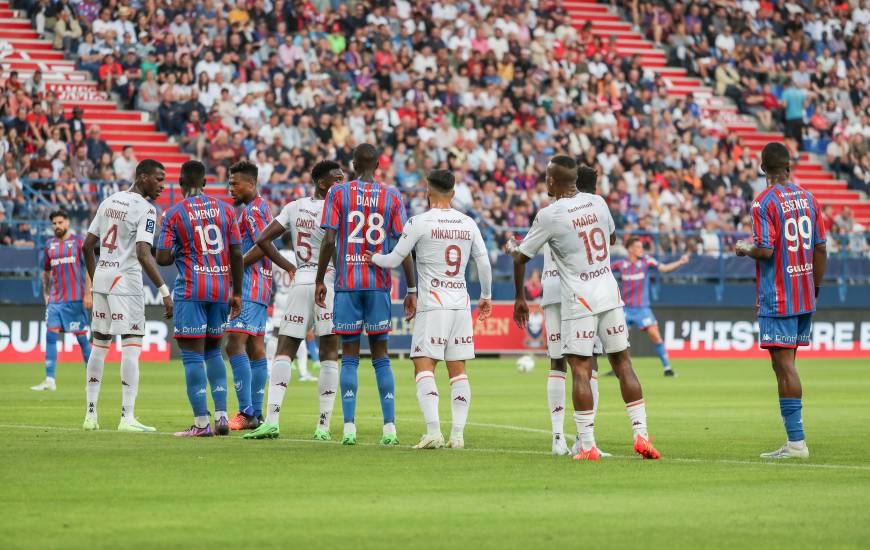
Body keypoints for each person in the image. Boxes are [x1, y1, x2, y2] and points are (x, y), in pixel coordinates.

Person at [511, 156, 660, 461]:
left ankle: (588, 445)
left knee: (580, 367)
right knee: (623, 363)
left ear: (552, 182)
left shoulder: (549, 214)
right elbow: (612, 237)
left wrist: (519, 296)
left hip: (579, 298)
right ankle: (642, 434)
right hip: (608, 290)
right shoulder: (599, 202)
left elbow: (520, 258)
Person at [365, 169, 493, 450]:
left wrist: (372, 257)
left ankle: (434, 431)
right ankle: (457, 435)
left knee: (424, 365)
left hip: (433, 303)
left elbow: (394, 259)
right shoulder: (468, 223)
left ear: (428, 191)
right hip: (460, 304)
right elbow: (483, 263)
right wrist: (485, 295)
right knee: (458, 371)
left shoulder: (419, 222)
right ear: (454, 193)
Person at [314, 144, 417, 446]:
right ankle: (390, 429)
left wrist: (320, 279)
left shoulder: (338, 193)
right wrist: (411, 289)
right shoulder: (393, 196)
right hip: (378, 285)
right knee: (381, 357)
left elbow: (330, 240)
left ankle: (349, 428)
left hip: (347, 284)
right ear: (378, 163)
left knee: (349, 357)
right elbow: (403, 247)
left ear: (355, 163)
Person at [735, 142, 826, 459]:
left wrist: (744, 248)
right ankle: (795, 441)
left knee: (784, 366)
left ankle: (797, 443)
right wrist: (813, 288)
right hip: (803, 293)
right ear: (788, 166)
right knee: (787, 364)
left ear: (763, 169)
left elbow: (765, 250)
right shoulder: (809, 198)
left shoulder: (763, 203)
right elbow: (821, 248)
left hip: (778, 296)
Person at [244, 160, 343, 440]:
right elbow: (333, 244)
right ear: (322, 183)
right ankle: (323, 426)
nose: (342, 184)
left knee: (285, 349)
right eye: (337, 179)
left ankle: (273, 420)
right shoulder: (339, 209)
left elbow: (263, 240)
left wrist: (288, 266)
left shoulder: (294, 207)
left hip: (301, 281)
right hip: (329, 284)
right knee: (328, 354)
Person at [81, 159, 172, 433]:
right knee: (131, 346)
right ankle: (127, 417)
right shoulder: (146, 209)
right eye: (157, 179)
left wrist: (97, 279)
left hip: (103, 279)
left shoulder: (109, 201)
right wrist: (164, 291)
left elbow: (87, 246)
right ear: (142, 177)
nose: (162, 186)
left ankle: (90, 415)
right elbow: (144, 253)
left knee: (99, 346)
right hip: (126, 281)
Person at [156, 160, 243, 437]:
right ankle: (221, 417)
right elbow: (237, 253)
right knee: (214, 352)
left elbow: (162, 257)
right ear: (205, 183)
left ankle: (202, 424)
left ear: (180, 183)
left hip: (191, 290)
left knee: (192, 357)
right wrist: (237, 292)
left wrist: (181, 247)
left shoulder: (173, 213)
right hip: (220, 289)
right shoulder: (226, 210)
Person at [222, 161, 273, 431]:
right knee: (255, 347)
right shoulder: (257, 208)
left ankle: (246, 412)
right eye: (229, 183)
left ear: (251, 184)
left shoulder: (253, 211)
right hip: (262, 285)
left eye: (235, 183)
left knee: (234, 344)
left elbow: (263, 246)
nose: (231, 188)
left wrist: (236, 265)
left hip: (251, 284)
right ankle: (257, 413)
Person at [31, 210, 92, 391]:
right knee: (50, 334)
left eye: (60, 222)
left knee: (82, 339)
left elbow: (89, 269)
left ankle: (93, 378)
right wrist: (46, 293)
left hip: (75, 300)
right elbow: (46, 271)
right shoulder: (49, 245)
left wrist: (88, 293)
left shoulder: (79, 242)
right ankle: (50, 380)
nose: (57, 226)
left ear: (67, 223)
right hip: (56, 300)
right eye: (54, 223)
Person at [611, 237, 689, 376]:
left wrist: (680, 262)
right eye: (638, 247)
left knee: (655, 335)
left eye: (642, 247)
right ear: (630, 249)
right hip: (625, 308)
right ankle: (618, 368)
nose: (641, 249)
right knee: (619, 340)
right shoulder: (620, 264)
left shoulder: (647, 261)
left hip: (642, 308)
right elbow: (603, 272)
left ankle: (667, 368)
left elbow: (664, 269)